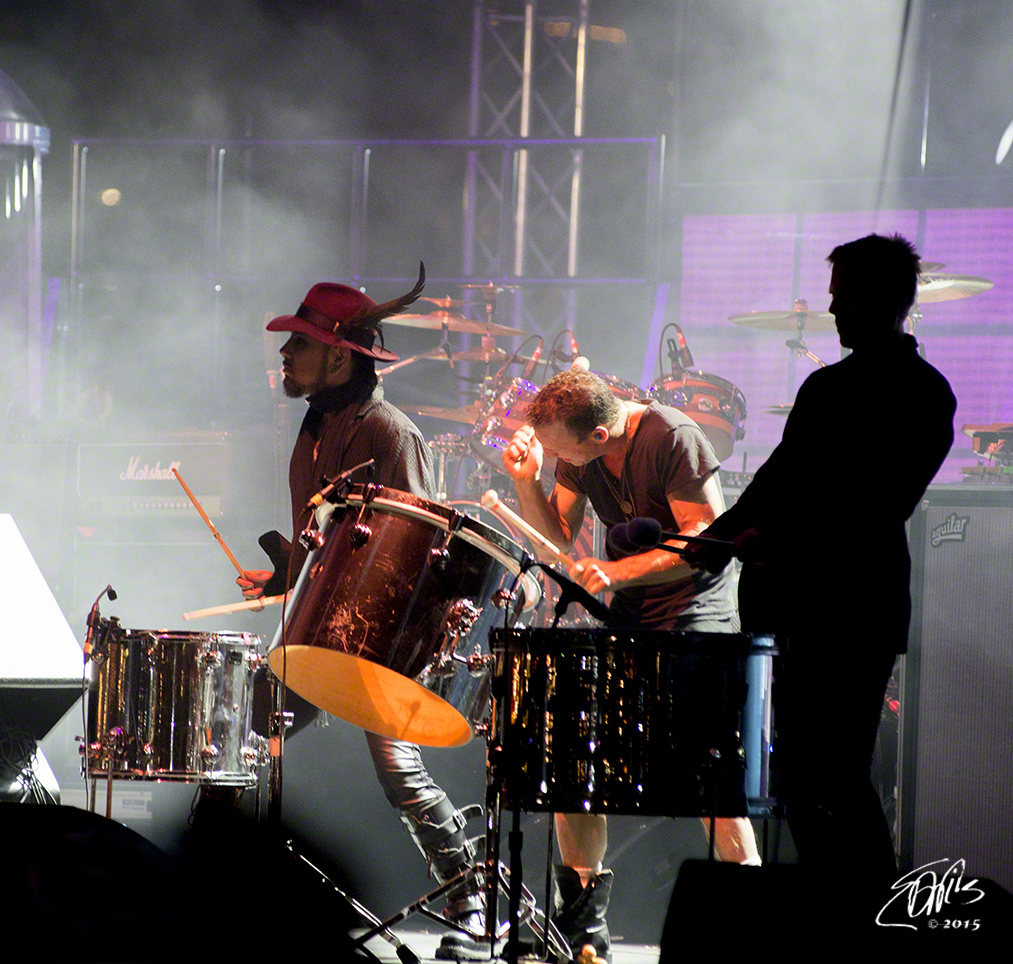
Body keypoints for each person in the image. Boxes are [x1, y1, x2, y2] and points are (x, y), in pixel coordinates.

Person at [696, 234, 955, 905]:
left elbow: (879, 507)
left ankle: (875, 914)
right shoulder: (824, 387)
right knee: (799, 779)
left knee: (839, 775)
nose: (833, 309)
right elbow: (776, 479)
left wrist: (779, 543)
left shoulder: (924, 394)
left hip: (856, 609)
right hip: (795, 605)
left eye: (845, 297)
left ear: (884, 300)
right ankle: (835, 914)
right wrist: (715, 536)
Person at [237, 268, 486, 961]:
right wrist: (285, 574)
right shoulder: (314, 429)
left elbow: (422, 552)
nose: (285, 355)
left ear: (340, 358)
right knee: (241, 736)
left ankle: (471, 907)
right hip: (319, 630)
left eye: (300, 345)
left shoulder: (390, 433)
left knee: (399, 771)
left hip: (381, 641)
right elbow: (329, 540)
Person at [500, 368, 760, 961]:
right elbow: (556, 539)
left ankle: (748, 921)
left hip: (696, 615)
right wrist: (526, 482)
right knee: (576, 762)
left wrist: (616, 572)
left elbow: (706, 539)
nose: (556, 458)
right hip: (632, 614)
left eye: (560, 451)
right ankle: (584, 933)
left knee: (705, 776)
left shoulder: (673, 436)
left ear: (598, 434)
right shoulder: (583, 451)